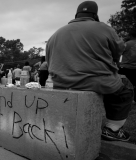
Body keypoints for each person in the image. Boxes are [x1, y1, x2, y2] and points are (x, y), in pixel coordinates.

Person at [46, 1, 133, 142]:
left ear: (76, 15)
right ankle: (113, 129)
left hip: (60, 82)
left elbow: (49, 62)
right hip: (94, 81)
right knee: (125, 88)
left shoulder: (56, 33)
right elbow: (118, 51)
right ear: (95, 15)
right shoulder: (103, 28)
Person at [119, 30, 136, 103]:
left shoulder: (127, 44)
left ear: (131, 36)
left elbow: (118, 52)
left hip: (126, 67)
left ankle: (125, 99)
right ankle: (135, 99)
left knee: (123, 84)